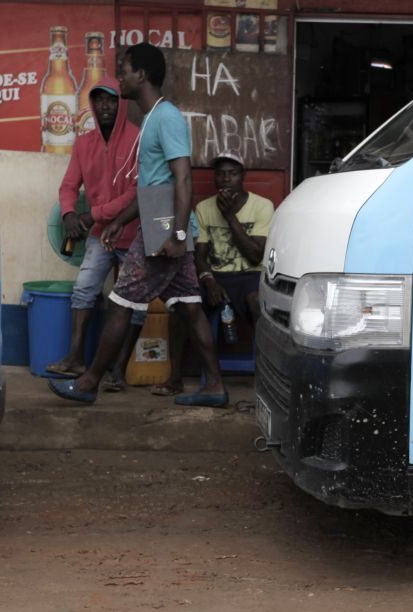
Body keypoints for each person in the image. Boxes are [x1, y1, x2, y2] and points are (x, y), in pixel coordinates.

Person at [48, 43, 227, 407]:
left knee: (120, 303)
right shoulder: (152, 119)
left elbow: (183, 180)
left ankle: (88, 382)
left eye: (125, 70)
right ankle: (216, 387)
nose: (120, 77)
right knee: (190, 306)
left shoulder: (167, 118)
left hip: (164, 228)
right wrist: (121, 220)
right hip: (160, 219)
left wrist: (176, 235)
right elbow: (152, 184)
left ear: (141, 75)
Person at [150, 149, 274, 397]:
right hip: (215, 277)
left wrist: (230, 217)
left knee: (257, 303)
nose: (226, 179)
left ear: (243, 177)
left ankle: (268, 380)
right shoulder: (204, 208)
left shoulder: (262, 206)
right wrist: (208, 280)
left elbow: (255, 255)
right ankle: (175, 378)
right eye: (221, 175)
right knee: (181, 306)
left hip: (249, 276)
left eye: (233, 174)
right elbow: (199, 254)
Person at [46, 78, 143, 392]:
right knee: (84, 289)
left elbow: (134, 195)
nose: (105, 106)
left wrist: (92, 215)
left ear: (122, 104)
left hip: (133, 233)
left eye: (112, 100)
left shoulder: (137, 139)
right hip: (100, 235)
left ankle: (119, 370)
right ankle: (75, 359)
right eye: (99, 99)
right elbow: (68, 186)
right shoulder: (84, 143)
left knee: (131, 302)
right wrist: (69, 214)